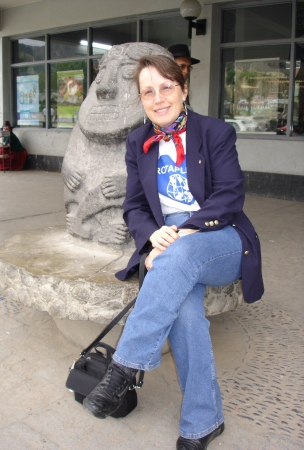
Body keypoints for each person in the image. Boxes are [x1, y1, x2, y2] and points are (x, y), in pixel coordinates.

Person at [82, 55, 264, 448]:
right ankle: (203, 422)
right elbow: (134, 206)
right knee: (184, 312)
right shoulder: (138, 141)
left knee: (179, 256)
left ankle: (123, 367)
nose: (159, 98)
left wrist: (180, 234)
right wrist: (151, 240)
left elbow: (230, 195)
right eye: (149, 91)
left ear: (183, 89)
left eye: (167, 87)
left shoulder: (215, 132)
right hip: (169, 246)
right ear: (141, 100)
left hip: (221, 238)